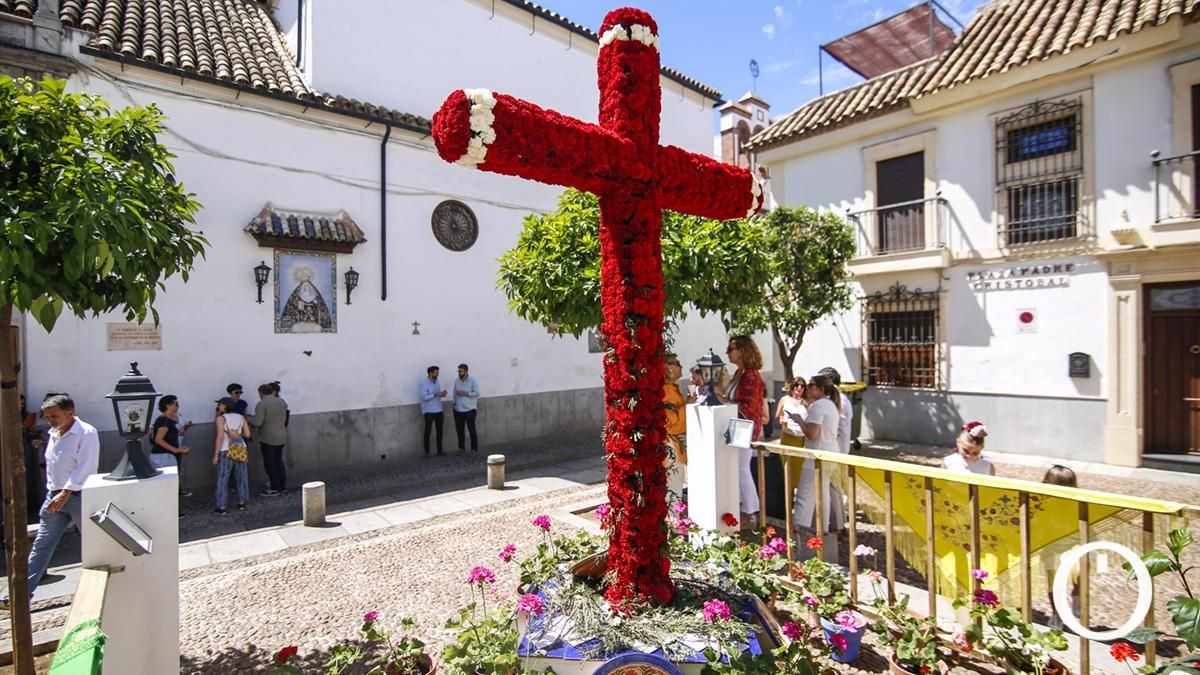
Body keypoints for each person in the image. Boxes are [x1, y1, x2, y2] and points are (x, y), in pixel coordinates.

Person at [1, 395, 99, 609]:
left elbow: (87, 467)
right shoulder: (55, 433)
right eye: (47, 417)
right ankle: (19, 595)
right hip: (54, 496)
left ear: (70, 412)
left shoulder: (86, 432)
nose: (50, 421)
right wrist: (53, 492)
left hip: (78, 496)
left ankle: (98, 593)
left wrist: (65, 493)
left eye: (54, 416)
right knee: (41, 545)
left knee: (94, 546)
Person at [790, 375, 841, 536]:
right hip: (829, 453)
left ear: (820, 389)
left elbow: (812, 434)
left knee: (805, 495)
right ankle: (821, 530)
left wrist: (799, 421)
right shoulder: (830, 405)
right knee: (822, 494)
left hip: (816, 455)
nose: (808, 387)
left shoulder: (819, 406)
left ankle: (798, 530)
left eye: (811, 385)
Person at [724, 335, 764, 520]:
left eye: (731, 349)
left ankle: (750, 511)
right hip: (737, 424)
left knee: (741, 468)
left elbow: (749, 406)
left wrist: (727, 405)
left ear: (742, 351)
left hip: (744, 426)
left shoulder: (751, 375)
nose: (727, 352)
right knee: (737, 468)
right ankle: (745, 507)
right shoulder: (740, 373)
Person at [1043, 464, 1079, 629]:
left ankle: (1077, 596)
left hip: (1075, 545)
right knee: (1055, 583)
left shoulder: (1078, 502)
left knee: (1079, 576)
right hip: (1051, 547)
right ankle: (1057, 614)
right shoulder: (1042, 503)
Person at [149, 395, 193, 500]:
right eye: (176, 404)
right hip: (163, 455)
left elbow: (174, 436)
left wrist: (180, 449)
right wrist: (176, 450)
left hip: (170, 455)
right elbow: (158, 439)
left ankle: (174, 508)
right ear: (168, 406)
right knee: (167, 484)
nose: (178, 406)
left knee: (172, 482)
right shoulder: (163, 420)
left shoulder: (170, 420)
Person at [212, 397, 251, 514]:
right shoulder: (241, 417)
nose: (219, 406)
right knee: (242, 476)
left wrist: (215, 454)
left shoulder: (221, 419)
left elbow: (220, 437)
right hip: (240, 448)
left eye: (220, 404)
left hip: (225, 449)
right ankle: (242, 501)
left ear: (225, 405)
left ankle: (222, 505)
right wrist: (236, 434)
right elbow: (248, 434)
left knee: (223, 478)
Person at [251, 383, 289, 495]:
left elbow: (258, 422)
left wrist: (248, 419)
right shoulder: (281, 401)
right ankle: (282, 485)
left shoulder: (262, 404)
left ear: (261, 393)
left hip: (268, 437)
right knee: (278, 461)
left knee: (270, 463)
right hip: (281, 435)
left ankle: (274, 487)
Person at [663, 354, 688, 502]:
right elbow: (671, 420)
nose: (681, 366)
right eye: (677, 363)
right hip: (670, 443)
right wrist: (688, 406)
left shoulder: (670, 388)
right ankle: (672, 521)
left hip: (671, 442)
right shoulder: (667, 390)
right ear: (668, 368)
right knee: (673, 486)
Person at [20, 394, 46, 521]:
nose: (21, 405)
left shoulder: (29, 416)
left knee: (30, 480)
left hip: (27, 450)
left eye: (23, 403)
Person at [452, 363, 480, 454]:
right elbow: (454, 393)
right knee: (460, 430)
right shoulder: (456, 381)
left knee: (471, 430)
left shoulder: (472, 381)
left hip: (470, 410)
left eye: (461, 371)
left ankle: (474, 449)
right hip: (458, 409)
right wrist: (454, 404)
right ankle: (461, 448)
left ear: (466, 371)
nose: (459, 373)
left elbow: (477, 393)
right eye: (458, 371)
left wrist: (466, 393)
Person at [420, 365, 447, 457]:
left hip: (438, 409)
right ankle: (427, 452)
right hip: (428, 411)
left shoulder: (437, 382)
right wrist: (435, 394)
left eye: (438, 372)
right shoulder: (424, 383)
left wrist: (442, 394)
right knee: (428, 431)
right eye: (436, 373)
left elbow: (436, 395)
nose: (438, 374)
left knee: (440, 431)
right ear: (430, 373)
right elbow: (424, 397)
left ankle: (440, 451)